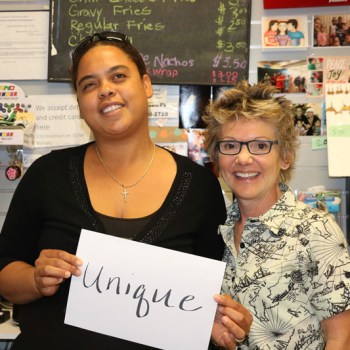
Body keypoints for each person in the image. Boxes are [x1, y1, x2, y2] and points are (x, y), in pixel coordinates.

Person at [0, 31, 252, 350]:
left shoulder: (199, 187)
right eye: (89, 84)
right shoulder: (47, 175)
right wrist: (35, 280)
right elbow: (5, 270)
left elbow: (206, 296)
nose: (105, 90)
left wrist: (217, 321)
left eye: (118, 76)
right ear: (79, 103)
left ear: (146, 85)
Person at [203, 81, 350, 349]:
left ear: (285, 157)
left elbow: (341, 339)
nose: (244, 158)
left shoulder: (316, 230)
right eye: (231, 145)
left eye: (260, 146)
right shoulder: (217, 231)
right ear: (217, 159)